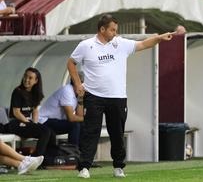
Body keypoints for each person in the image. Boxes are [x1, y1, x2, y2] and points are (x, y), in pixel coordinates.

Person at [67, 13, 186, 178]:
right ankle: (84, 168)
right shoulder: (86, 45)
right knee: (90, 132)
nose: (115, 33)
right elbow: (71, 62)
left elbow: (144, 44)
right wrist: (78, 84)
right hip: (94, 96)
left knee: (117, 133)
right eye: (112, 30)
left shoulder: (121, 44)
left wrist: (159, 37)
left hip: (117, 97)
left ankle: (118, 167)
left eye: (116, 30)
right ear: (102, 29)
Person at [8, 67, 56, 157]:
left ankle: (49, 159)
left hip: (27, 122)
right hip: (16, 123)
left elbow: (35, 111)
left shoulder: (35, 93)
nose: (26, 80)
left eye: (30, 78)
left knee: (51, 133)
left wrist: (35, 123)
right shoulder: (18, 91)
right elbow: (16, 113)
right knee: (45, 131)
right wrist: (30, 124)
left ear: (36, 80)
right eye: (25, 76)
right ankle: (35, 159)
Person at [38, 73, 84, 146]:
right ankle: (73, 153)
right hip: (43, 121)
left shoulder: (77, 94)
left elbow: (79, 116)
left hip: (56, 121)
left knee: (83, 124)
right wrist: (88, 118)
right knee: (74, 125)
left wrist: (81, 98)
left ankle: (82, 152)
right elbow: (71, 118)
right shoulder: (67, 91)